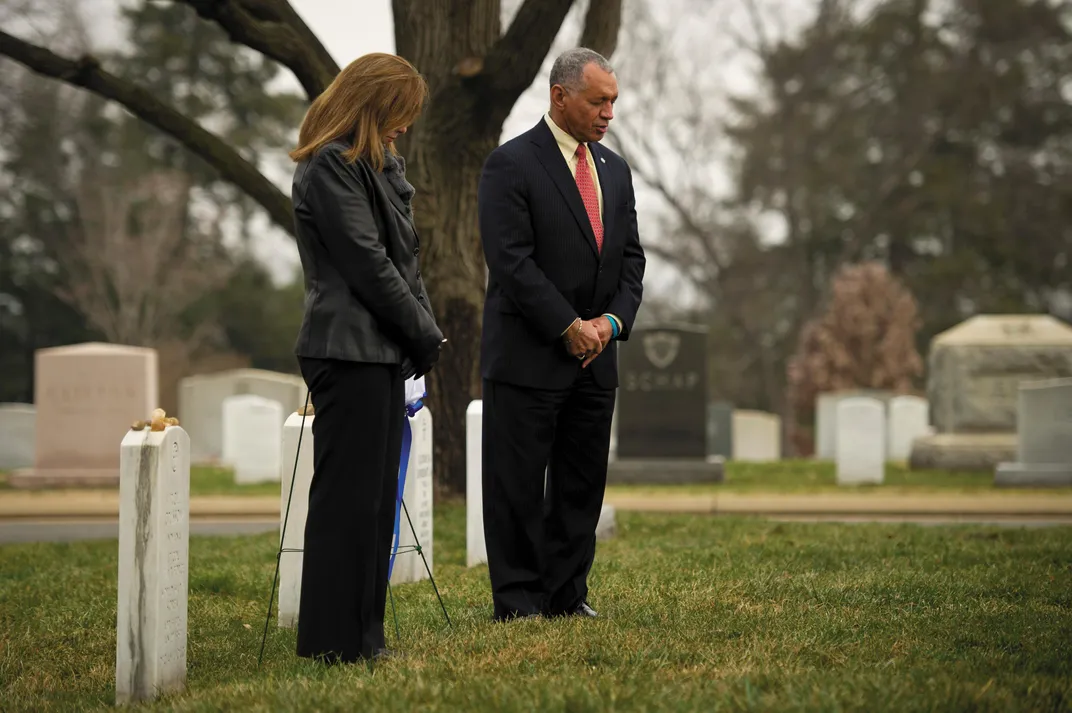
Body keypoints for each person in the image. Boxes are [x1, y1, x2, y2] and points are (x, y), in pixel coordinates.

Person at [477, 47, 646, 621]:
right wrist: (567, 326)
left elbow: (630, 262)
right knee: (517, 487)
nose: (609, 114)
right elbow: (511, 261)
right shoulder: (511, 164)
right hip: (529, 356)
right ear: (560, 97)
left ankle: (566, 595)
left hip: (595, 359)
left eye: (614, 102)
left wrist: (609, 324)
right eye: (598, 101)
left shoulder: (615, 171)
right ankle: (519, 600)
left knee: (580, 484)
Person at [288, 53, 445, 663]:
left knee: (377, 503)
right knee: (348, 502)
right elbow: (367, 264)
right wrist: (425, 334)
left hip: (378, 350)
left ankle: (363, 640)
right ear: (369, 106)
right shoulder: (330, 166)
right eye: (397, 114)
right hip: (345, 349)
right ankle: (331, 643)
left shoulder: (377, 166)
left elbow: (405, 262)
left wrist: (418, 334)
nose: (404, 127)